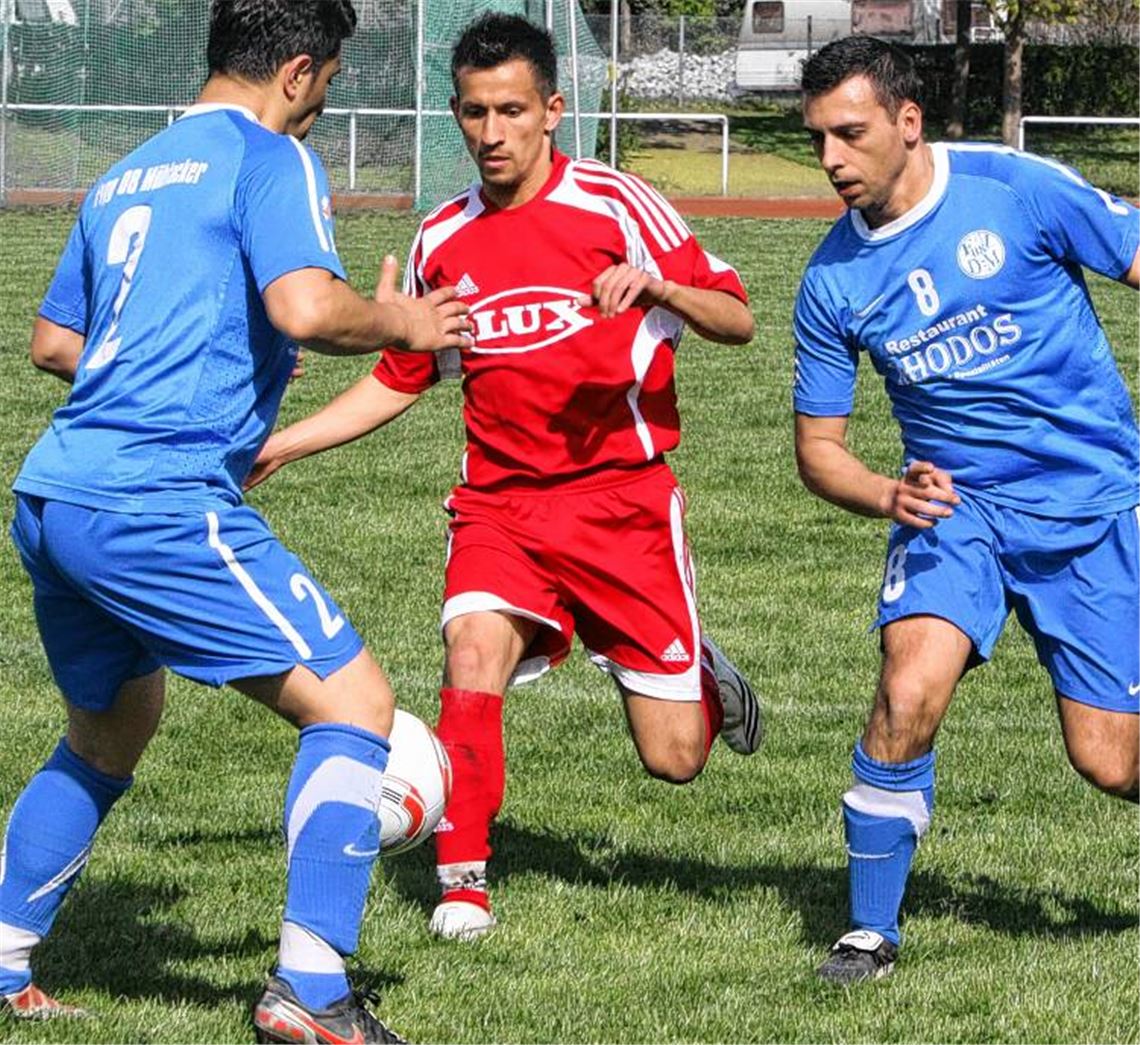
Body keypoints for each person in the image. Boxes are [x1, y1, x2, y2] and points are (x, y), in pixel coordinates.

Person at [0, 1, 469, 1040]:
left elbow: (53, 342)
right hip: (155, 498)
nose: (320, 109)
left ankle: (3, 961)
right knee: (354, 703)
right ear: (298, 71)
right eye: (328, 87)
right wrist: (404, 318)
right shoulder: (270, 155)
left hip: (56, 494)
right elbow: (308, 306)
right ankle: (312, 988)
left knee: (108, 732)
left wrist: (196, 351)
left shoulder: (127, 173)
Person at [248, 12, 762, 943]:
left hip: (624, 506)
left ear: (553, 111)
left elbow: (737, 317)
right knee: (471, 652)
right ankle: (463, 881)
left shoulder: (617, 206)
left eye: (512, 111)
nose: (491, 133)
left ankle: (700, 674)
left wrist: (658, 288)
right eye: (474, 112)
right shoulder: (442, 236)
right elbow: (400, 378)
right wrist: (285, 444)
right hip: (501, 506)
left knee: (676, 759)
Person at [792, 35, 1139, 984]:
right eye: (818, 138)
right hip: (955, 511)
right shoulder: (832, 280)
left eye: (850, 133)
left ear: (908, 121)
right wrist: (887, 493)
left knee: (1110, 761)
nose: (831, 159)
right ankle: (870, 930)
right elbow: (818, 451)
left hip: (1088, 502)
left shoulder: (1012, 187)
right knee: (907, 690)